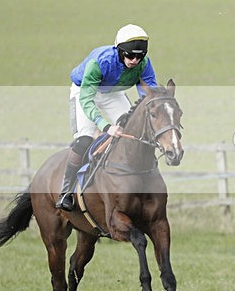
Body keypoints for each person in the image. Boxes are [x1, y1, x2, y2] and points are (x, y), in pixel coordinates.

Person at [55, 24, 158, 211]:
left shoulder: (144, 63)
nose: (135, 61)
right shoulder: (100, 62)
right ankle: (66, 192)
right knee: (84, 139)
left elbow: (149, 94)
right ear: (119, 52)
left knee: (131, 131)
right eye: (130, 56)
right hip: (85, 92)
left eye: (139, 56)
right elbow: (87, 99)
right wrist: (105, 126)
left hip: (113, 93)